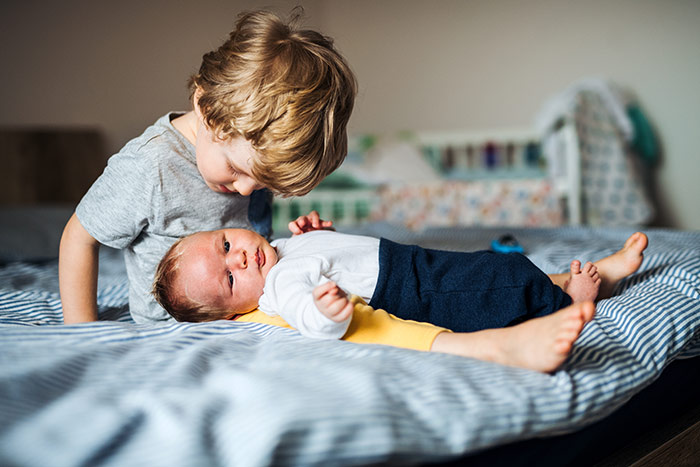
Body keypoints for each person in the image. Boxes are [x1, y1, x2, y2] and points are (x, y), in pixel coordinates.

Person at [59, 9, 356, 324]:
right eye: (236, 169)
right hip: (167, 337)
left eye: (262, 184)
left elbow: (257, 257)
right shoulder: (151, 166)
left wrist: (311, 246)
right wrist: (81, 332)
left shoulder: (249, 162)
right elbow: (79, 237)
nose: (245, 190)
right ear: (206, 108)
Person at [152, 228, 648, 371]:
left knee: (487, 268)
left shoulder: (280, 250)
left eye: (224, 245)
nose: (239, 259)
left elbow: (330, 255)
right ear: (239, 310)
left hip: (408, 260)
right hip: (408, 286)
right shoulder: (281, 287)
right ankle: (570, 302)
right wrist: (326, 313)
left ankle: (593, 272)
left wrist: (317, 234)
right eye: (229, 279)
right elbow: (306, 315)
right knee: (499, 284)